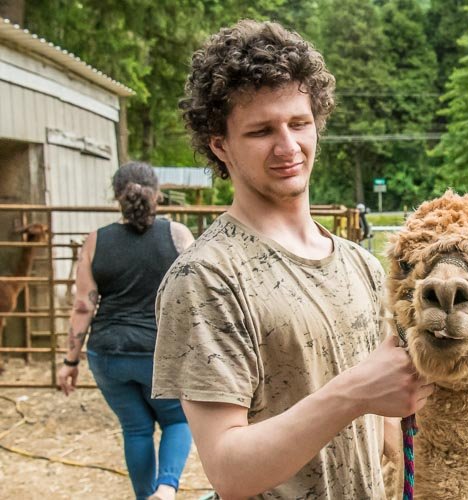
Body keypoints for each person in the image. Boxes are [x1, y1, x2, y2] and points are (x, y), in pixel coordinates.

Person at [151, 20, 434, 499]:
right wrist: (353, 394)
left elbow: (385, 426)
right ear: (220, 145)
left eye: (299, 123)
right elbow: (228, 470)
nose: (288, 147)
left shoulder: (358, 264)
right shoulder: (207, 276)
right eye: (261, 131)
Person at [58, 162, 195, 500]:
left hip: (107, 354)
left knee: (135, 429)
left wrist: (70, 362)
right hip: (158, 352)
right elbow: (196, 297)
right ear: (158, 193)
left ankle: (145, 496)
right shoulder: (177, 235)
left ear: (116, 196)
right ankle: (165, 488)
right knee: (178, 421)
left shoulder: (95, 241)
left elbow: (83, 306)